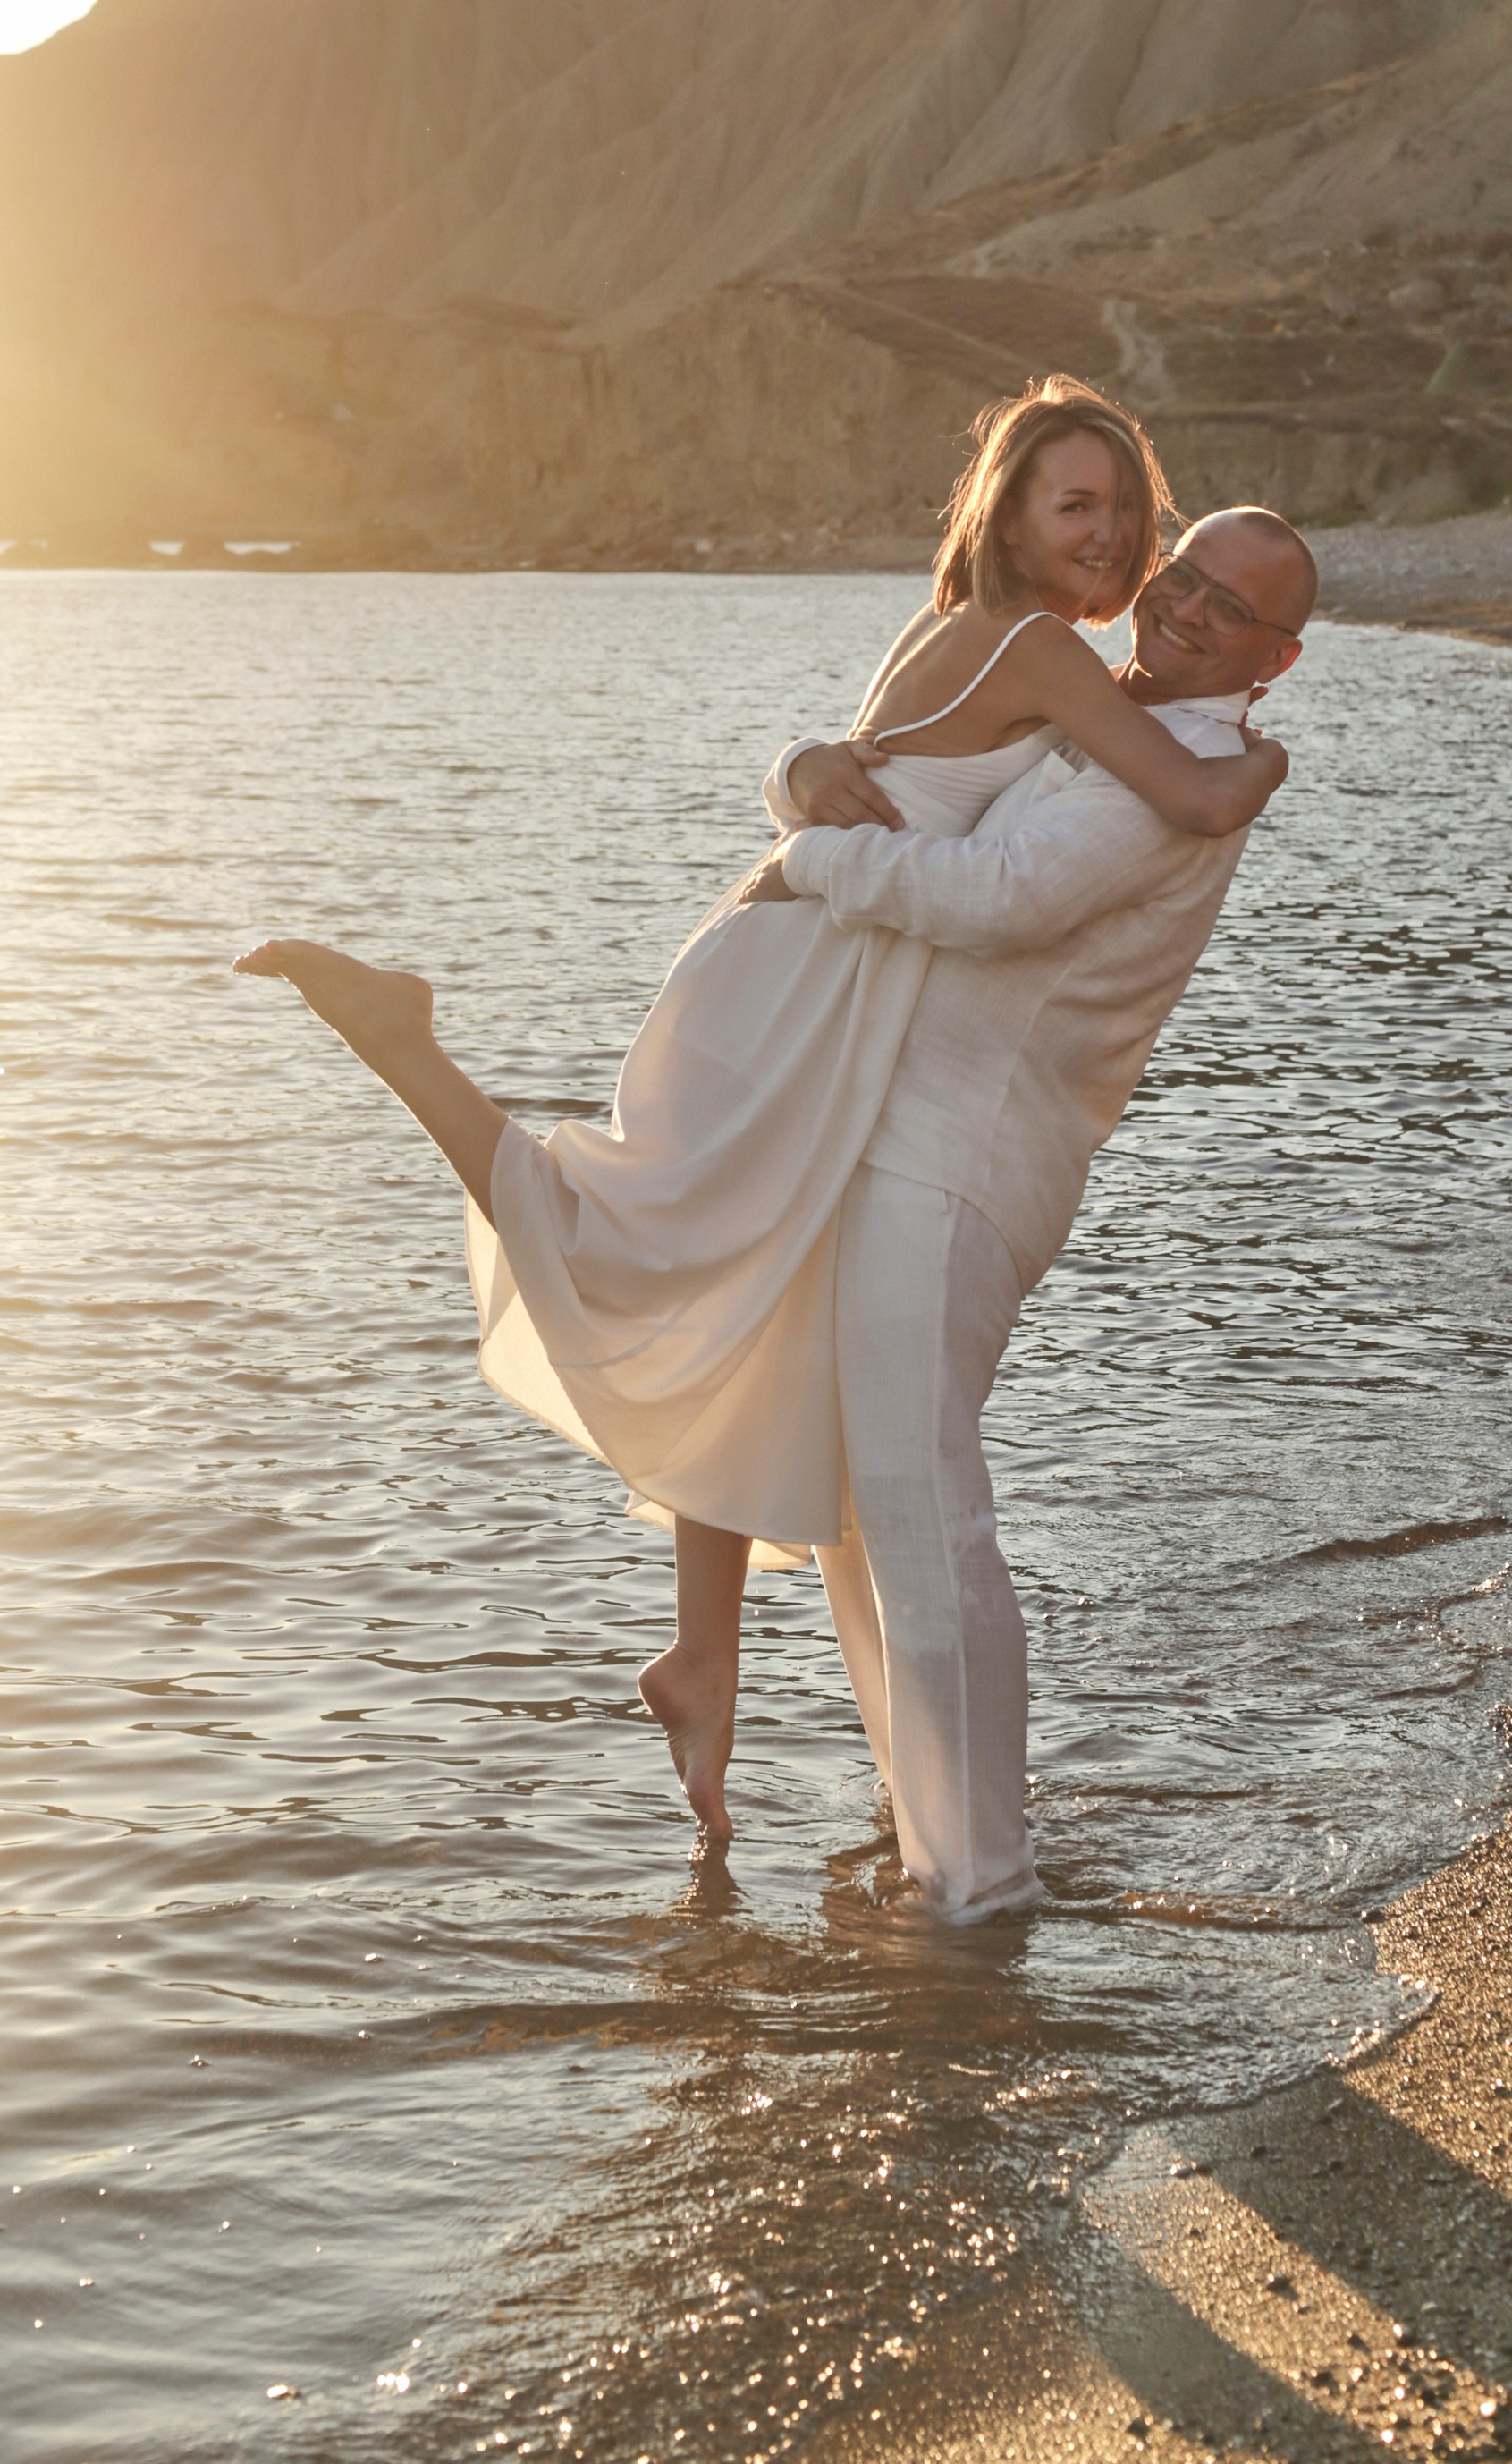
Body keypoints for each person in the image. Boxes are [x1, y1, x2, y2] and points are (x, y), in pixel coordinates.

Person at [232, 380, 1289, 1840]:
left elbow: (855, 769)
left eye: (1129, 513)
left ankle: (706, 1659)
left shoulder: (963, 635)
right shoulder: (1052, 656)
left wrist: (795, 782)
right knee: (656, 1253)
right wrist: (1265, 760)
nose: (1115, 540)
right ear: (1011, 517)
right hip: (799, 979)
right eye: (1079, 508)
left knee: (735, 1285)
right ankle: (409, 1049)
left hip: (786, 970)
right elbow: (1192, 791)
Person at [737, 503, 1317, 1918]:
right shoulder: (1105, 720)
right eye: (1182, 577)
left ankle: (978, 1882)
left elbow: (1004, 901)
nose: (1183, 607)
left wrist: (805, 862)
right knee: (863, 1519)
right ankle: (923, 1823)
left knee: (923, 1514)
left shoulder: (1188, 761)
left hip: (965, 1162)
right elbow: (903, 759)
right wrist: (799, 775)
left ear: (1275, 656)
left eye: (1226, 608)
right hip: (905, 1141)